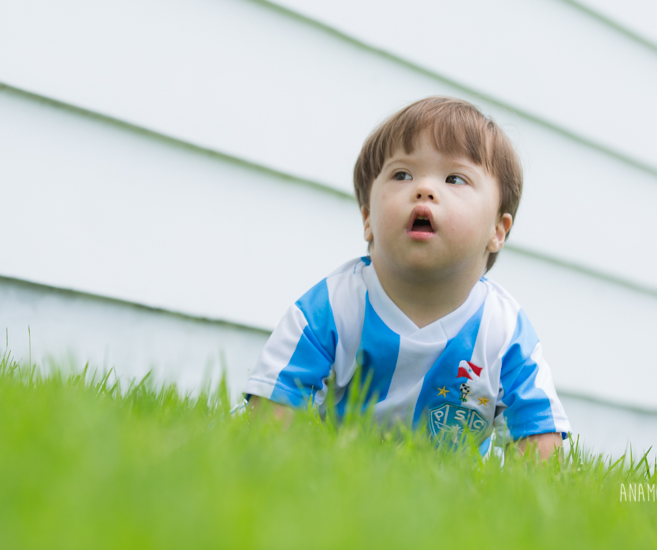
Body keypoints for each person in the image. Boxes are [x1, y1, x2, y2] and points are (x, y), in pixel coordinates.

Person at [243, 96, 570, 459]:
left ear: (498, 230)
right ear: (368, 219)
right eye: (402, 175)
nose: (424, 189)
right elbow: (272, 412)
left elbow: (540, 439)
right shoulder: (333, 309)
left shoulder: (505, 333)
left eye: (454, 178)